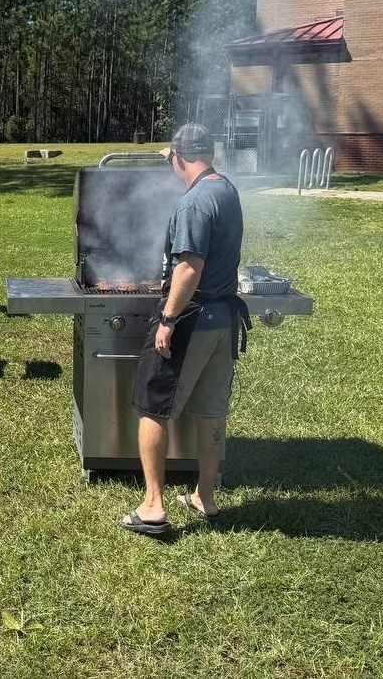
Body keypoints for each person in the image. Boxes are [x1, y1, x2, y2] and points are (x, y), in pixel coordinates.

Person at [119, 122, 250, 537]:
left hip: (192, 319)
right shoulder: (226, 189)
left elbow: (189, 267)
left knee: (153, 406)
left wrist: (167, 319)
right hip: (223, 322)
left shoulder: (194, 204)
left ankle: (153, 508)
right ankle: (204, 497)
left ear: (178, 157)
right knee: (211, 412)